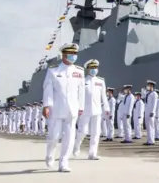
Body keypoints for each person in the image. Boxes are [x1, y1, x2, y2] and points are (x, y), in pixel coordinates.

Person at [42, 43, 85, 173]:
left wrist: (81, 106)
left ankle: (63, 163)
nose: (74, 56)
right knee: (54, 136)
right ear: (64, 55)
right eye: (71, 54)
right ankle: (50, 155)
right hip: (56, 109)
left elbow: (81, 91)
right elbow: (47, 89)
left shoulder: (79, 71)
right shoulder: (53, 70)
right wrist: (46, 106)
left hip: (72, 109)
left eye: (75, 54)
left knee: (69, 138)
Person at [73, 59, 109, 160]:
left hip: (97, 110)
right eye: (92, 68)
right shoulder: (83, 81)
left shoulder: (100, 81)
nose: (94, 70)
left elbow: (104, 96)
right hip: (85, 110)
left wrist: (106, 107)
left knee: (96, 133)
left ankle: (92, 153)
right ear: (88, 69)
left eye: (95, 68)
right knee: (83, 131)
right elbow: (78, 96)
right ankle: (76, 146)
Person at [143, 80, 159, 145]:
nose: (147, 86)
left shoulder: (154, 94)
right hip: (147, 111)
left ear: (152, 85)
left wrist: (152, 112)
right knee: (148, 126)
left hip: (150, 112)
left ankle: (151, 141)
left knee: (151, 126)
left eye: (148, 85)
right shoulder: (148, 93)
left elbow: (154, 104)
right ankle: (149, 140)